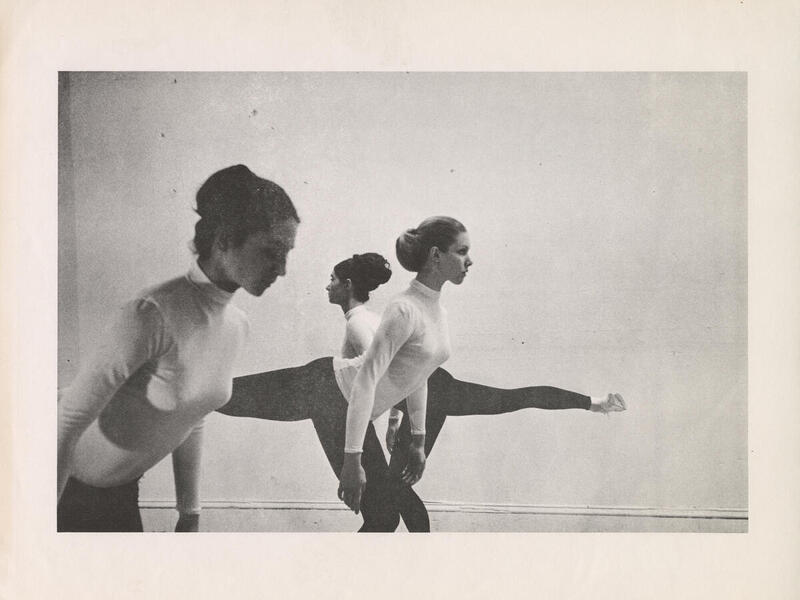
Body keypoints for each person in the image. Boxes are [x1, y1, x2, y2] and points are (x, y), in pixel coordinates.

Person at [218, 217, 625, 532]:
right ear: (435, 255)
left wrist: (416, 439)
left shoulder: (435, 310)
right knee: (216, 395)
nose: (470, 260)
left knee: (383, 518)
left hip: (337, 401)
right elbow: (364, 384)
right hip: (324, 390)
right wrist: (352, 461)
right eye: (462, 251)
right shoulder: (402, 309)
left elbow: (419, 375)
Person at [57, 164, 299, 532]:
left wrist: (190, 511)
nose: (282, 269)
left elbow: (192, 411)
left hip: (119, 491)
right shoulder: (152, 312)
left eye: (288, 252)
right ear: (223, 240)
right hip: (60, 486)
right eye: (271, 251)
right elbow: (68, 420)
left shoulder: (237, 326)